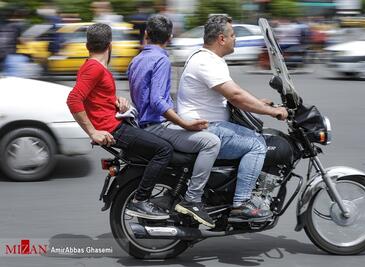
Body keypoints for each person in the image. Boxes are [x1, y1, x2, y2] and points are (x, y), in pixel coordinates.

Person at [176, 15, 288, 221]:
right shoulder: (206, 61)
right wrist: (273, 112)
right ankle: (241, 203)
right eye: (233, 35)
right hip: (206, 128)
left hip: (208, 125)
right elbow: (235, 96)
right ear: (221, 39)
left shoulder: (208, 59)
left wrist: (261, 103)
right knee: (257, 144)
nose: (236, 39)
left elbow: (234, 92)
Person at [67, 23, 173, 220]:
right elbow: (74, 99)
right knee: (164, 150)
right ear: (110, 45)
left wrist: (117, 103)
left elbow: (95, 99)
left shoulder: (91, 66)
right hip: (113, 129)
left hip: (115, 122)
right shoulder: (94, 69)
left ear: (87, 45)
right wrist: (93, 132)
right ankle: (141, 200)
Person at [127, 15, 221, 228]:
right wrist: (185, 124)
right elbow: (157, 101)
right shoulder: (161, 59)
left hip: (144, 124)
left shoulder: (136, 60)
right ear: (169, 37)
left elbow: (141, 96)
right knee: (211, 142)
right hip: (157, 127)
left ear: (146, 35)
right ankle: (193, 199)